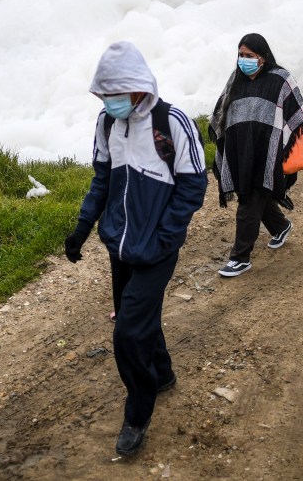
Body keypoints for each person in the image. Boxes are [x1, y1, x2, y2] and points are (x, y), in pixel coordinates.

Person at [64, 41, 207, 456]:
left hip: (157, 249)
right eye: (103, 94)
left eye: (115, 92)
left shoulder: (172, 121)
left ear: (137, 86)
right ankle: (161, 374)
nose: (109, 101)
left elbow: (194, 185)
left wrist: (166, 235)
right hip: (120, 246)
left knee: (127, 332)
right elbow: (102, 179)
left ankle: (137, 414)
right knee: (139, 319)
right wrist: (83, 227)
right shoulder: (107, 124)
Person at [208, 33, 303, 278]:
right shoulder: (236, 79)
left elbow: (296, 114)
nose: (244, 60)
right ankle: (281, 226)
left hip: (267, 150)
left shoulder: (281, 79)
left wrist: (283, 144)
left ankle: (240, 258)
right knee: (255, 192)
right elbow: (221, 112)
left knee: (249, 198)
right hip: (240, 147)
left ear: (262, 57)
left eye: (249, 56)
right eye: (240, 55)